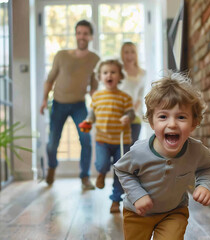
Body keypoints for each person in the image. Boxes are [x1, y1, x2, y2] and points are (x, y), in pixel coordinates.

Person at [114, 73, 210, 239]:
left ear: (194, 123)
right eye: (163, 116)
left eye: (181, 117)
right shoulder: (139, 152)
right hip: (138, 213)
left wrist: (205, 185)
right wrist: (137, 195)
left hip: (174, 212)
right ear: (152, 121)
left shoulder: (196, 150)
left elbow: (209, 166)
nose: (172, 124)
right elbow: (122, 170)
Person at [39, 20, 100, 190]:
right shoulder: (61, 55)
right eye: (79, 33)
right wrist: (44, 100)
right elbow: (49, 80)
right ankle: (52, 167)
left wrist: (96, 103)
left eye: (85, 33)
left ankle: (85, 177)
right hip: (58, 104)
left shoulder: (95, 59)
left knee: (86, 140)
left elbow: (94, 86)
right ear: (75, 35)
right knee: (52, 142)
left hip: (79, 106)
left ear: (90, 36)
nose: (82, 36)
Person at [79, 59, 135, 213]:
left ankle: (115, 200)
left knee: (120, 171)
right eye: (105, 73)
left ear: (119, 76)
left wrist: (127, 117)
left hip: (121, 141)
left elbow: (131, 112)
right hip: (103, 139)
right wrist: (88, 121)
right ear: (100, 77)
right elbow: (92, 113)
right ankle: (102, 173)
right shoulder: (97, 96)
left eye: (113, 72)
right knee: (102, 163)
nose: (109, 75)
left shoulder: (125, 97)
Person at [119, 42, 146, 145]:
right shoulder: (118, 72)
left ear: (136, 54)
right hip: (118, 113)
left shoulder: (143, 73)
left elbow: (140, 94)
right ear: (122, 54)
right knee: (118, 146)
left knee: (131, 145)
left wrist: (132, 111)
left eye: (132, 52)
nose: (129, 55)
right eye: (126, 52)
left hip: (135, 114)